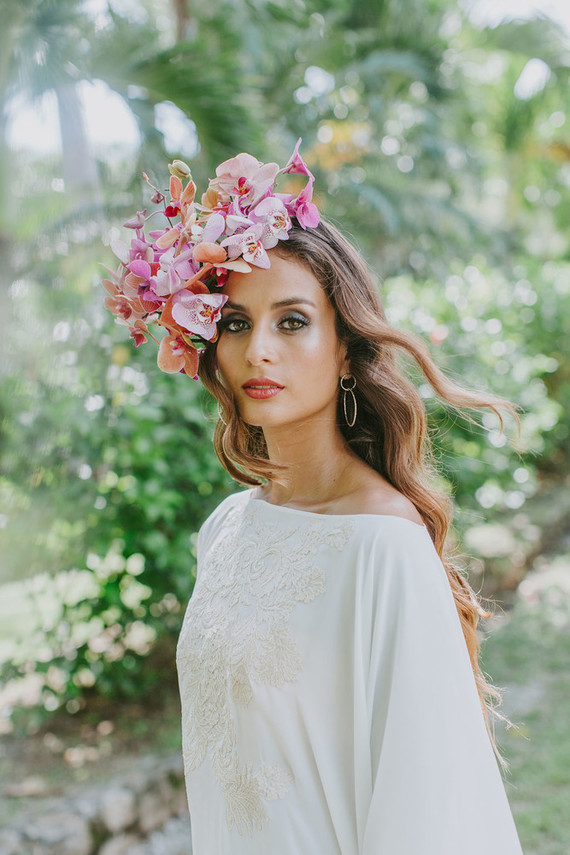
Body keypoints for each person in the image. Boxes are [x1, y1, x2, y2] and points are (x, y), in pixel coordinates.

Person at [103, 142, 525, 854]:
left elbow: (427, 816)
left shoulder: (384, 550)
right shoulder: (227, 527)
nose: (257, 349)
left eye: (291, 321)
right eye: (235, 323)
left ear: (343, 347)